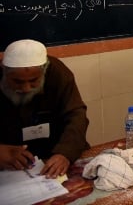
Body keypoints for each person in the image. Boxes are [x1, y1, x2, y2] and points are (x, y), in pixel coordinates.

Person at [0, 39, 90, 179]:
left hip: (53, 155)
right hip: (10, 165)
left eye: (33, 80)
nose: (26, 89)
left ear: (45, 70)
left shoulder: (58, 73)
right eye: (17, 81)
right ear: (4, 71)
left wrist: (65, 153)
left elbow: (76, 115)